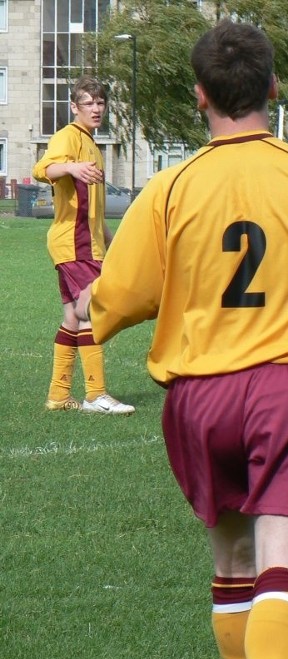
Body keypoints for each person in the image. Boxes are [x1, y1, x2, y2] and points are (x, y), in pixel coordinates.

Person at [76, 20, 288, 659]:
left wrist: (99, 304)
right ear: (274, 89)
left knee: (235, 563)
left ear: (199, 94)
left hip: (198, 400)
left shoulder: (168, 188)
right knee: (283, 571)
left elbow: (118, 302)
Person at [32, 75, 135, 415]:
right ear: (74, 107)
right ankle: (96, 394)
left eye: (100, 103)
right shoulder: (67, 136)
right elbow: (41, 169)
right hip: (73, 244)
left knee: (73, 320)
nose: (96, 108)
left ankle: (59, 396)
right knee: (93, 309)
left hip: (82, 244)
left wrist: (114, 243)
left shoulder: (92, 142)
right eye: (88, 103)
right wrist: (71, 167)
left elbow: (93, 210)